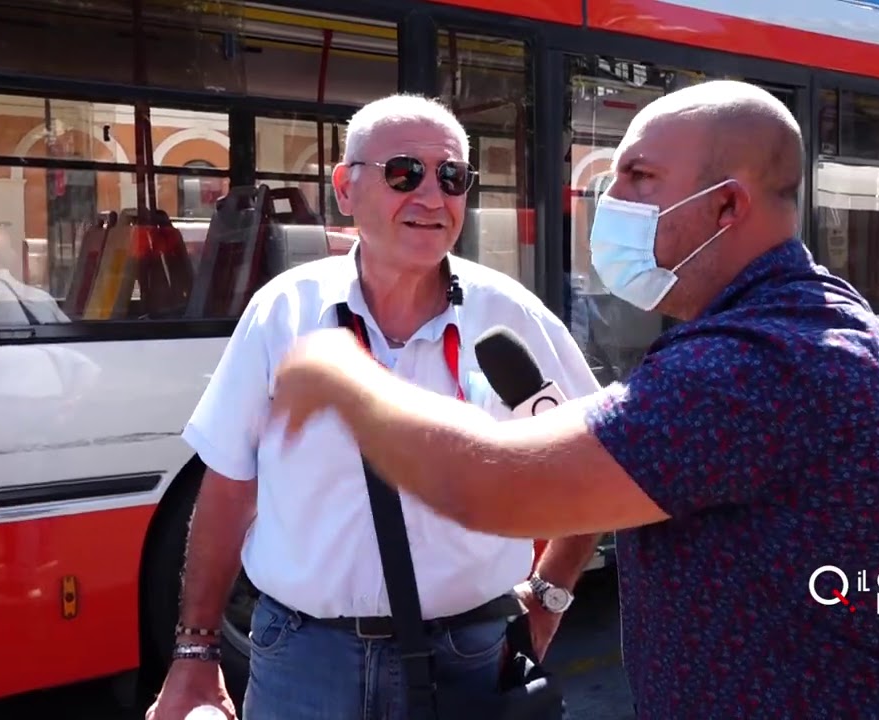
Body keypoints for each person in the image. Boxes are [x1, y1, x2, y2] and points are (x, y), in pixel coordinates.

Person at [267, 80, 879, 718]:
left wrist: (342, 372)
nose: (610, 201)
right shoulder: (780, 325)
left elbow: (495, 487)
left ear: (726, 207)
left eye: (640, 177)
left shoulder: (758, 362)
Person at [146, 93, 603, 720]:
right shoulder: (285, 311)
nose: (430, 197)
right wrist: (195, 650)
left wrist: (549, 595)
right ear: (345, 187)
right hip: (303, 661)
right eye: (403, 173)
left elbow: (594, 469)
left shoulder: (511, 316)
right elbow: (228, 486)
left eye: (450, 177)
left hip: (469, 658)